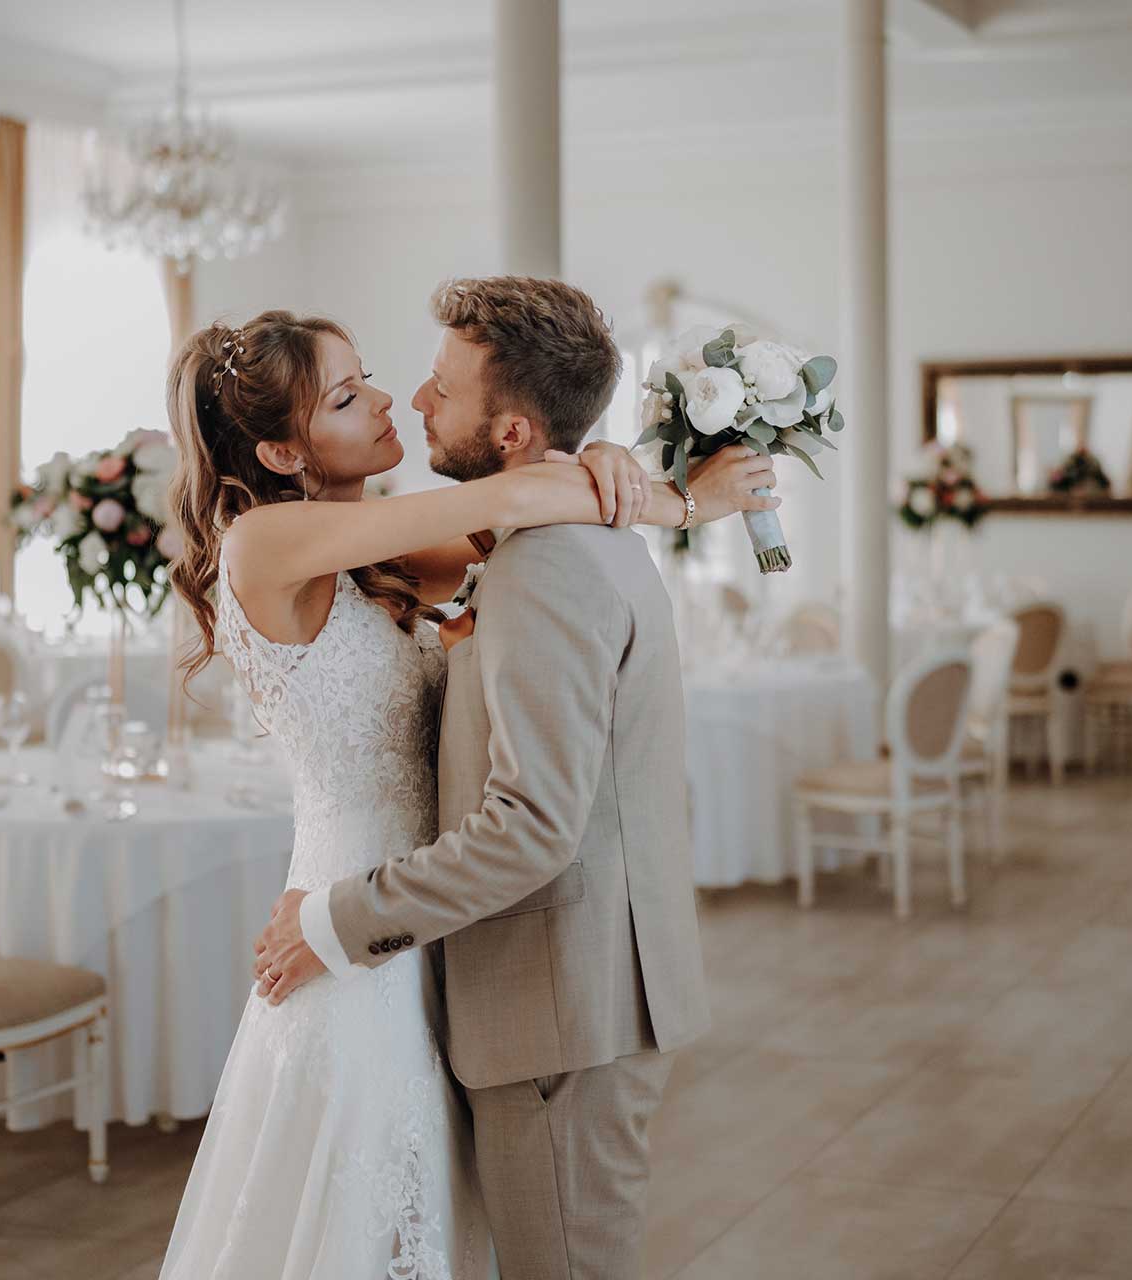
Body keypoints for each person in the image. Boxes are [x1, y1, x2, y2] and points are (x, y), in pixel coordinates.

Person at [159, 295, 778, 1279]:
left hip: (434, 923)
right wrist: (680, 498)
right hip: (349, 917)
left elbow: (522, 508)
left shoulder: (385, 554)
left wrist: (603, 466)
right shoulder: (262, 545)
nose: (390, 403)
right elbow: (513, 499)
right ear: (282, 454)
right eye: (350, 396)